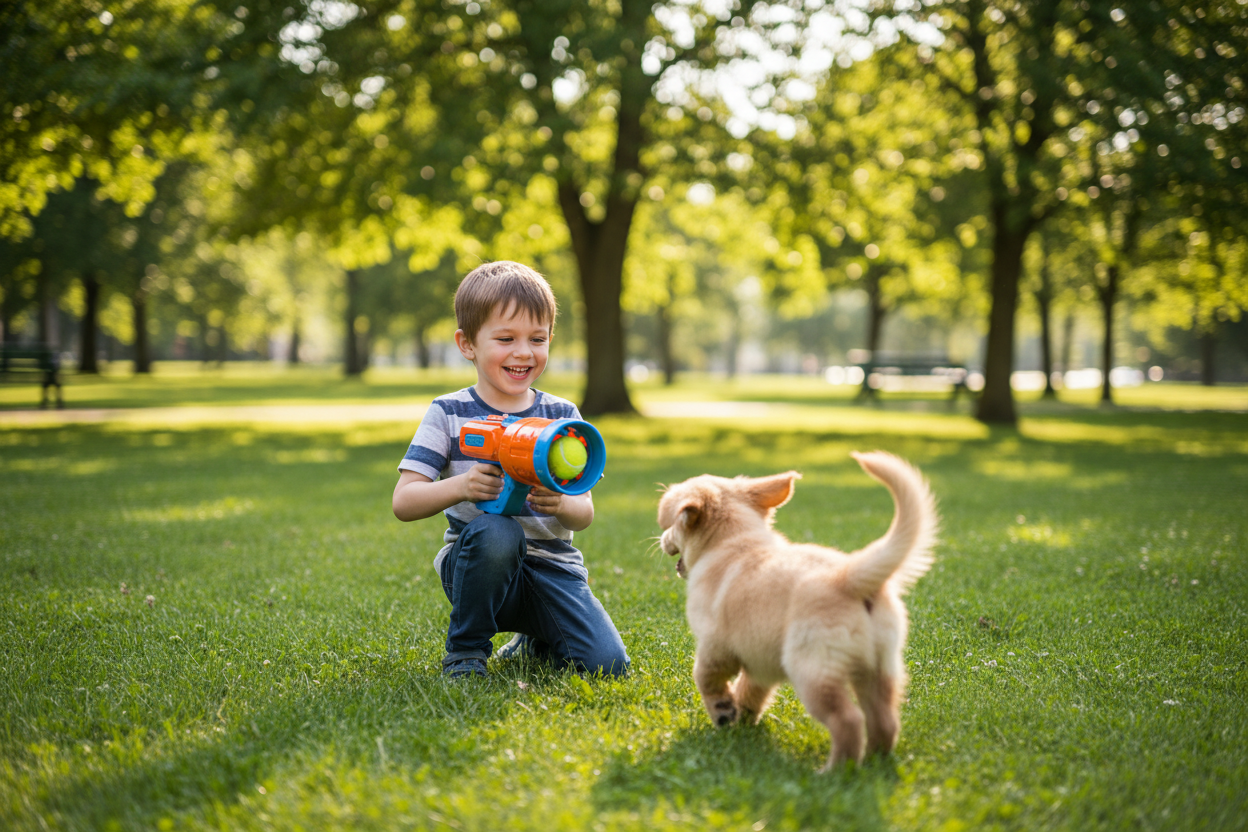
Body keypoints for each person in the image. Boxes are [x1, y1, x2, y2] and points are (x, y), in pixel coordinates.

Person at [392, 261, 629, 680]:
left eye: (537, 339)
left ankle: (537, 637)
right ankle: (466, 651)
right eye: (506, 338)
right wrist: (462, 486)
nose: (524, 352)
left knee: (607, 666)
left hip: (554, 569)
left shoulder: (562, 417)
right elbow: (404, 502)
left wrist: (561, 503)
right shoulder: (449, 413)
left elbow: (585, 513)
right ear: (467, 344)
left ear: (550, 340)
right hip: (478, 568)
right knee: (499, 531)